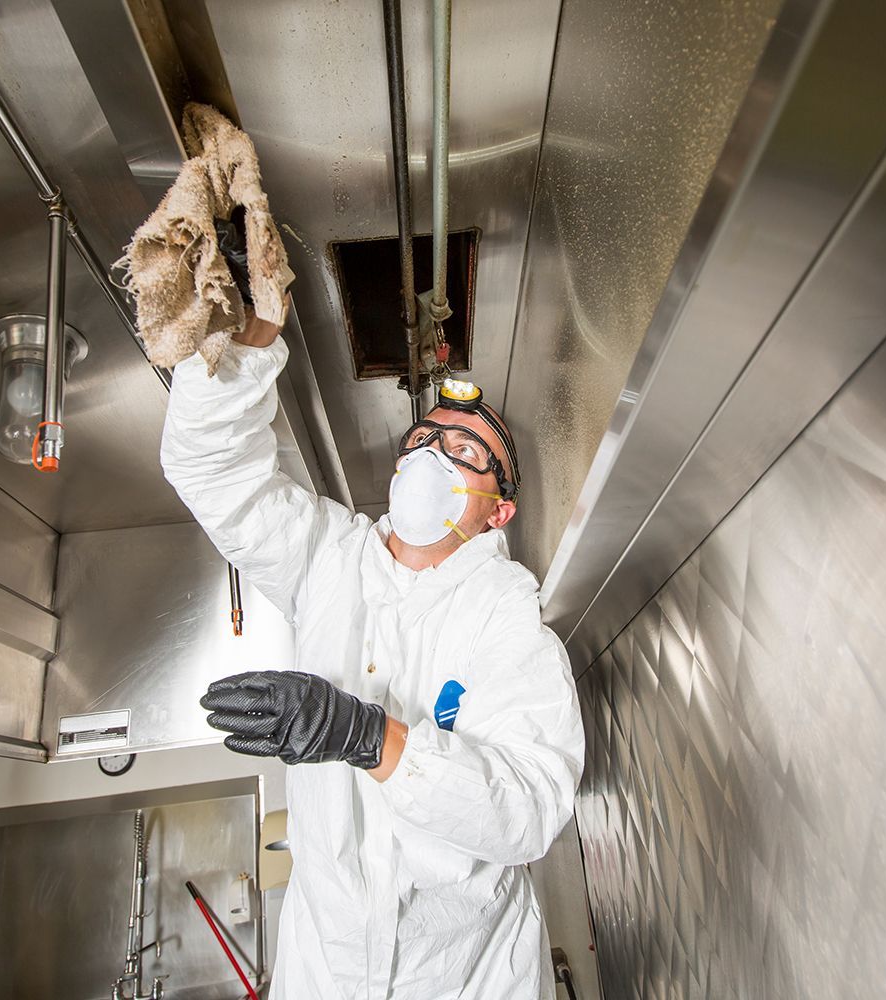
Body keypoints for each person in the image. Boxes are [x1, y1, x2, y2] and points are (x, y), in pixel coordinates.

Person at [160, 302, 585, 1000]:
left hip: (465, 977)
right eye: (423, 439)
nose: (431, 456)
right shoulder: (328, 560)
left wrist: (369, 736)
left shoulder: (510, 627)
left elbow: (529, 810)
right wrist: (247, 335)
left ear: (497, 510)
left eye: (463, 452)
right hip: (323, 972)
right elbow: (211, 474)